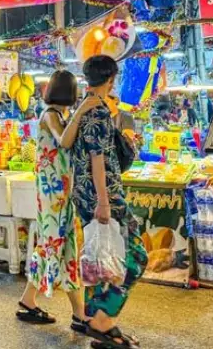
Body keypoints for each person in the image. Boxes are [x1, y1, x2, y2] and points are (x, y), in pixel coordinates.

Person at [71, 56, 147, 349]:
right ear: (112, 79)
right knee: (136, 257)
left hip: (85, 196)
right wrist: (104, 202)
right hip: (105, 196)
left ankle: (96, 321)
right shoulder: (99, 113)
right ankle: (104, 319)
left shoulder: (82, 108)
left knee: (99, 255)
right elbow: (98, 160)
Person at [16, 71, 99, 329]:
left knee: (56, 245)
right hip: (54, 194)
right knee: (57, 245)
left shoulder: (59, 115)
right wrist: (84, 108)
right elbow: (64, 141)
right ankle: (78, 314)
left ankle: (32, 301)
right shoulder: (52, 115)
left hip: (58, 192)